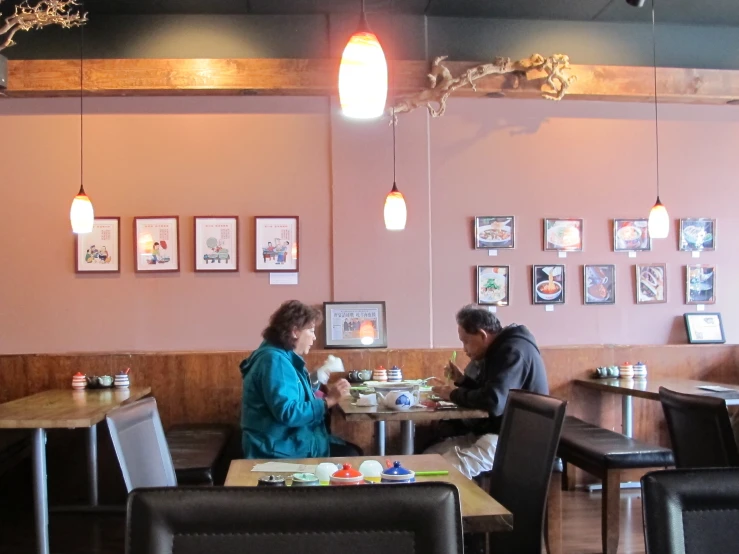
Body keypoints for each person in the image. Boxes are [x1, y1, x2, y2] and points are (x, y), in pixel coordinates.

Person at [426, 305, 549, 479]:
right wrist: (463, 381)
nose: (464, 349)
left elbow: (494, 401)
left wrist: (452, 394)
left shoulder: (512, 351)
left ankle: (458, 505)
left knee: (438, 471)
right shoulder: (500, 349)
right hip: (496, 432)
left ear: (483, 335)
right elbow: (491, 391)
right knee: (428, 458)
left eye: (466, 341)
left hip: (517, 439)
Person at [240, 300, 360, 459]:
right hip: (278, 448)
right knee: (352, 455)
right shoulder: (275, 361)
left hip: (281, 441)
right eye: (311, 330)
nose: (315, 337)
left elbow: (289, 392)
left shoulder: (278, 354)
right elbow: (288, 413)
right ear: (295, 331)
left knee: (352, 451)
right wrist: (329, 401)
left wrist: (316, 378)